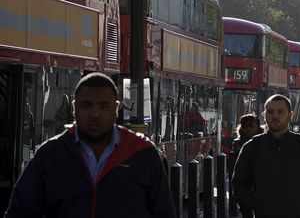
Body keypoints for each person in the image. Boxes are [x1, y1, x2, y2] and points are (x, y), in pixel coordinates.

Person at [5, 72, 175, 217]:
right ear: (74, 108)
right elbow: (20, 211)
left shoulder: (143, 154)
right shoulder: (50, 154)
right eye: (86, 106)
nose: (95, 114)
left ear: (116, 109)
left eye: (103, 106)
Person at [233, 94, 300, 218]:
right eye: (270, 112)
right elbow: (239, 184)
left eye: (280, 111)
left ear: (290, 115)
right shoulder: (252, 147)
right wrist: (255, 203)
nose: (275, 116)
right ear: (264, 115)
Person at [229, 113, 261, 218]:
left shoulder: (264, 141)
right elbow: (238, 158)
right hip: (244, 185)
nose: (248, 129)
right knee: (246, 212)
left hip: (260, 185)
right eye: (245, 126)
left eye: (251, 126)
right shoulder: (238, 142)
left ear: (257, 127)